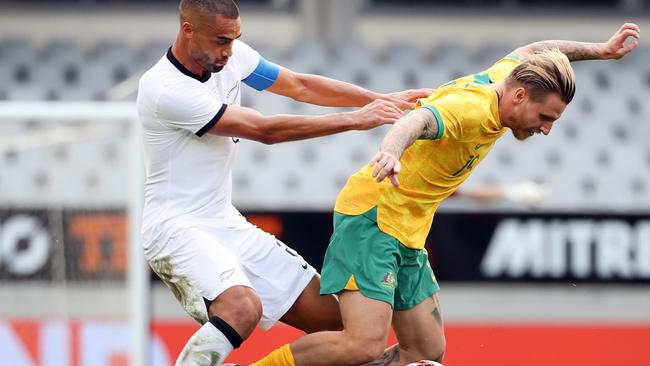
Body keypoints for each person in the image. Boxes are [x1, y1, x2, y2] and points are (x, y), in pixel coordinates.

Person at [251, 23, 640, 366]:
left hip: (407, 231)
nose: (547, 128)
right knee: (362, 345)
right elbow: (416, 120)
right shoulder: (469, 109)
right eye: (545, 118)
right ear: (520, 97)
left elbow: (537, 49)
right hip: (374, 216)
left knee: (425, 354)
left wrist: (601, 51)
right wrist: (391, 150)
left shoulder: (507, 77)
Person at [136, 0, 432, 365]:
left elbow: (300, 86)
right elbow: (265, 131)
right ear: (187, 30)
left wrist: (380, 100)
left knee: (343, 327)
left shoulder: (233, 55)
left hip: (224, 222)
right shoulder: (165, 90)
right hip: (176, 227)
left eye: (234, 40)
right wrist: (356, 119)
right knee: (242, 307)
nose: (229, 51)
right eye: (221, 41)